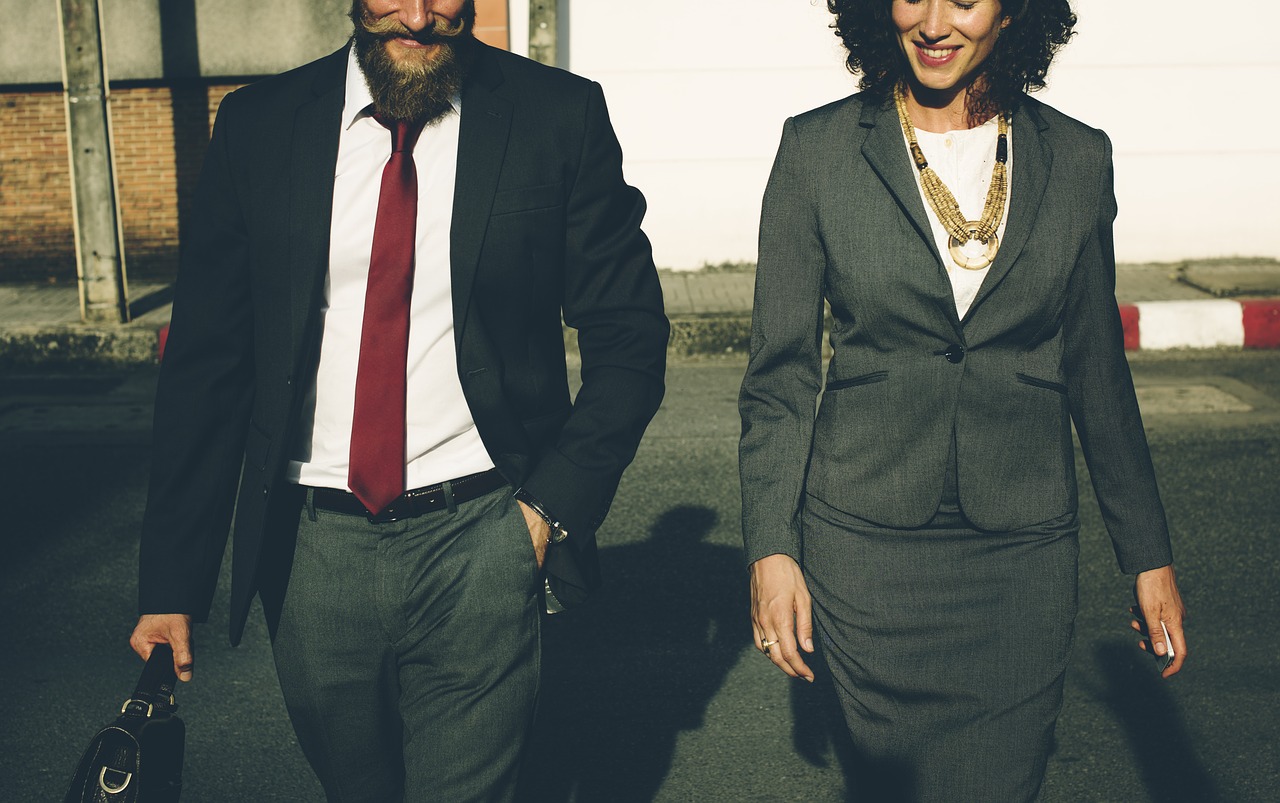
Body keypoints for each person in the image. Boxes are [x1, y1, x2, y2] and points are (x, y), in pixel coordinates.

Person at [128, 0, 668, 799]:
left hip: (483, 534)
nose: (417, 14)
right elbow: (210, 365)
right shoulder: (259, 126)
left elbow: (629, 333)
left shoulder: (557, 116)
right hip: (311, 552)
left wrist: (548, 510)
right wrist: (170, 586)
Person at [738, 1, 1187, 799]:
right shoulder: (817, 150)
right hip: (865, 549)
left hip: (1020, 558)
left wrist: (1147, 553)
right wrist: (772, 548)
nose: (936, 21)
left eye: (967, 0)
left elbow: (1097, 371)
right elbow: (781, 376)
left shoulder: (1078, 158)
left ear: (1014, 14)